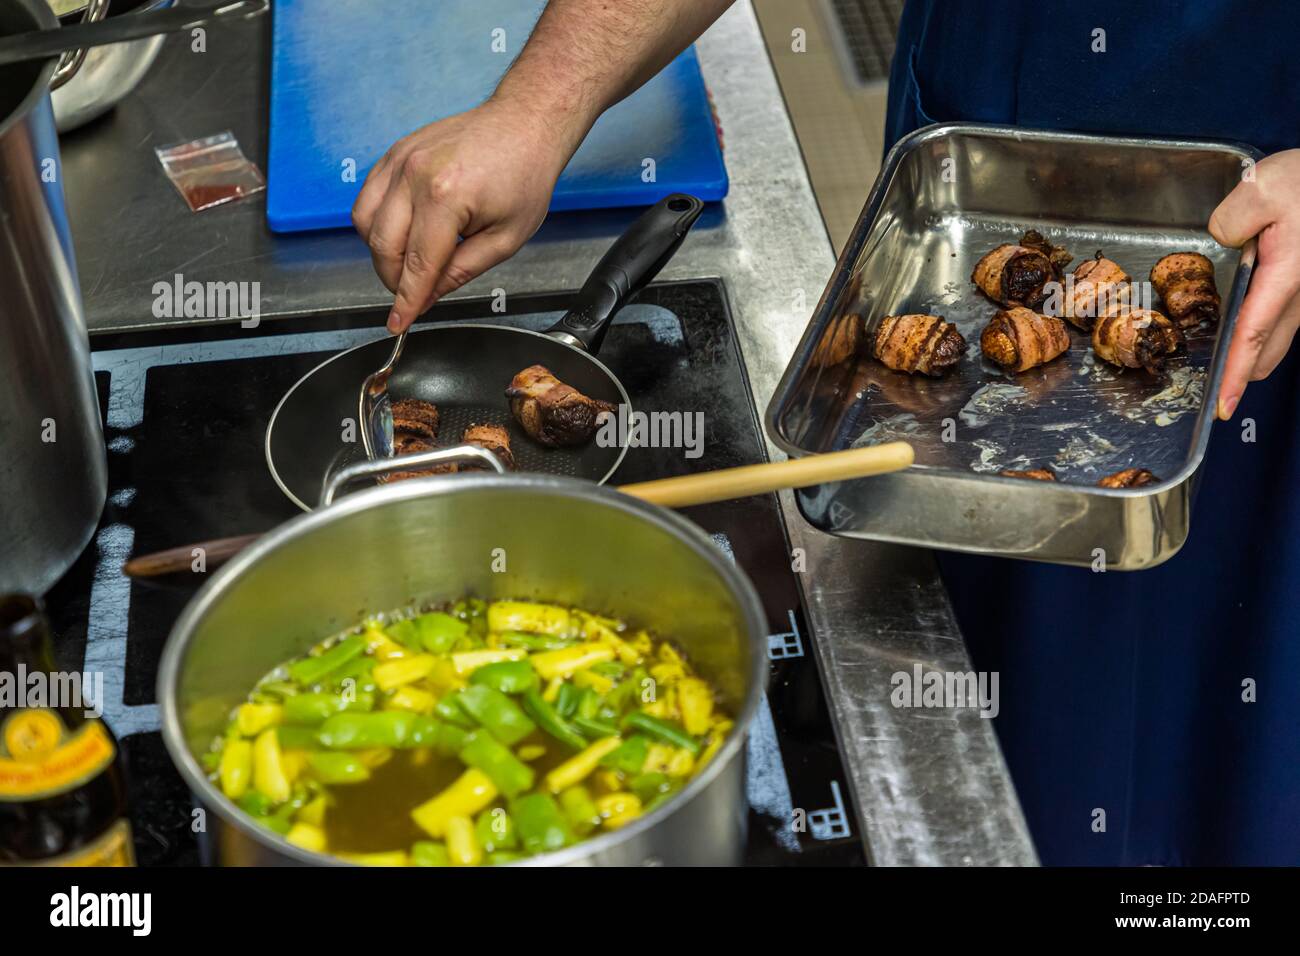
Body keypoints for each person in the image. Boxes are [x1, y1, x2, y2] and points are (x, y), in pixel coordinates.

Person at [352, 0, 1300, 865]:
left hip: (1266, 269)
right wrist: (539, 107)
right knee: (941, 687)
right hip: (964, 180)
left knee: (1190, 762)